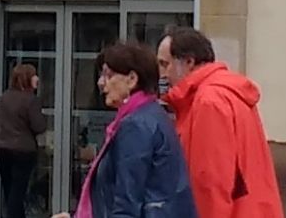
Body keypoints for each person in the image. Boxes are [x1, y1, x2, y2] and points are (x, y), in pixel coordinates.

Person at [52, 42, 196, 218]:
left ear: (132, 79)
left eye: (108, 75)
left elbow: (127, 203)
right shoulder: (150, 115)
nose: (101, 83)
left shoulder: (136, 125)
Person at [157, 28, 282, 218]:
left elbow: (210, 183)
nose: (162, 75)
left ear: (189, 62)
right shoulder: (228, 93)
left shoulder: (208, 101)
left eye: (165, 64)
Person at [0, 63, 47, 218]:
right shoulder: (31, 100)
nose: (37, 78)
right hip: (23, 150)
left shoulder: (3, 97)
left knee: (10, 189)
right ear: (26, 78)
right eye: (34, 75)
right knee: (18, 191)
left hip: (2, 148)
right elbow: (39, 126)